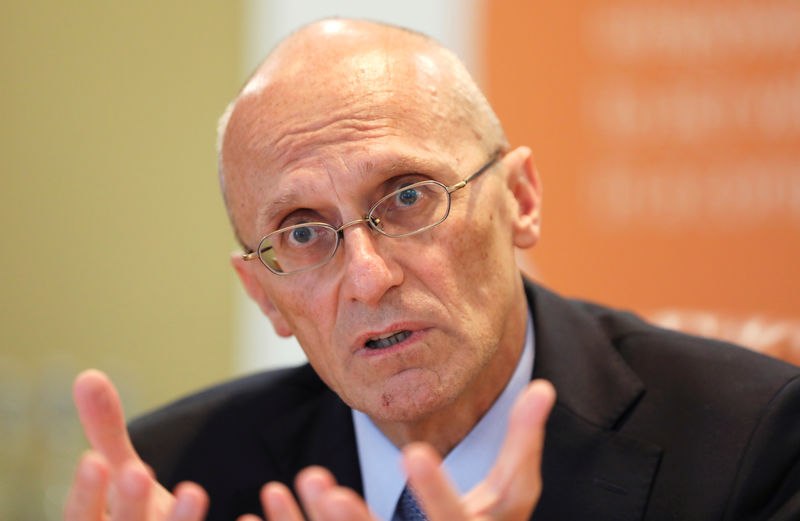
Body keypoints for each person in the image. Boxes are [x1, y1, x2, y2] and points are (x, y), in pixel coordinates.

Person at [64, 19, 800, 521]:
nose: (368, 275)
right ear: (266, 296)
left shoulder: (751, 441)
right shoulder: (177, 479)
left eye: (408, 196)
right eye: (303, 232)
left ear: (520, 199)